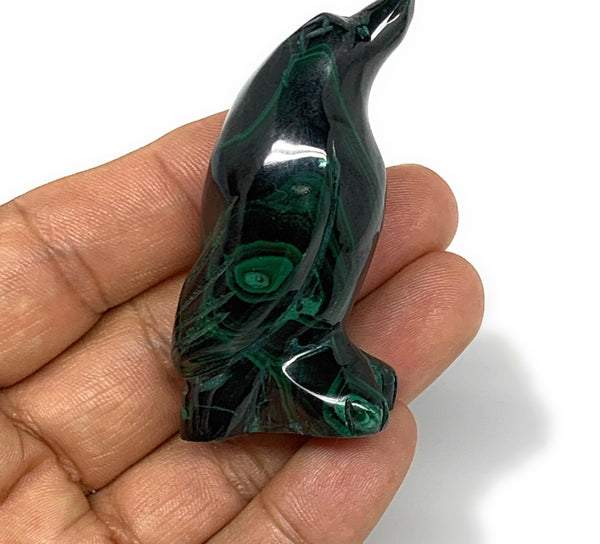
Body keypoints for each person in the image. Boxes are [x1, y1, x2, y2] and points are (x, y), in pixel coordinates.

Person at [0, 111, 483, 543]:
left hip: (299, 333)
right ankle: (276, 382)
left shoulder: (323, 138)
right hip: (252, 348)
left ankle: (309, 358)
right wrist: (217, 360)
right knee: (292, 235)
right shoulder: (304, 157)